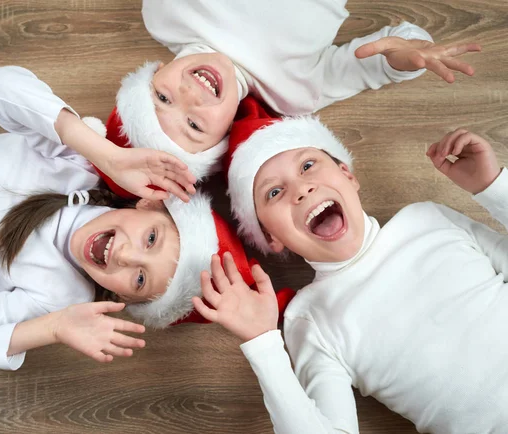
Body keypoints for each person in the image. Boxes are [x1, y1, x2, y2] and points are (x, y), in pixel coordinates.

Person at [192, 96, 508, 432]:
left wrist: (493, 188)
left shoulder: (428, 217)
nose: (302, 189)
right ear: (271, 237)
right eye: (274, 193)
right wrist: (262, 343)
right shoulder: (310, 318)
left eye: (308, 165)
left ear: (348, 175)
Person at [0, 65, 211, 378]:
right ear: (147, 205)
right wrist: (105, 155)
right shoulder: (80, 169)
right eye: (150, 239)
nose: (125, 255)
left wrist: (52, 328)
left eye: (139, 279)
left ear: (123, 298)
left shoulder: (59, 298)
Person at [96, 0, 480, 195]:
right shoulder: (294, 93)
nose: (189, 97)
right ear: (225, 136)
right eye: (194, 126)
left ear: (154, 72)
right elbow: (374, 64)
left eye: (162, 98)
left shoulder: (164, 13)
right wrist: (406, 55)